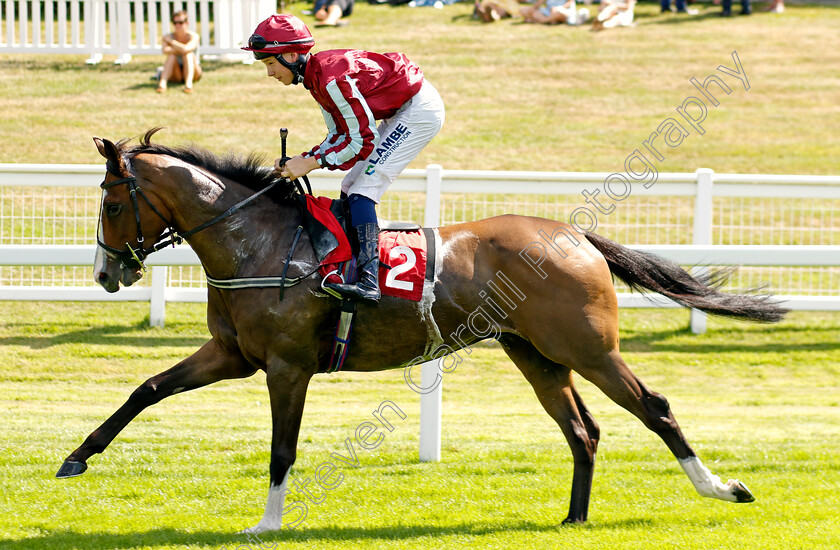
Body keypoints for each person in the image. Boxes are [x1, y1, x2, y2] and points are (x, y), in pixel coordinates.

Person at [242, 14, 445, 304]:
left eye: (270, 64)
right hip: (398, 110)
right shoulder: (316, 79)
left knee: (364, 190)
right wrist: (304, 158)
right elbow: (340, 135)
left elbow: (362, 141)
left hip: (418, 111)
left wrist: (310, 164)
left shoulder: (330, 79)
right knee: (350, 187)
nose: (269, 73)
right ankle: (351, 269)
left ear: (290, 55)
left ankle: (369, 282)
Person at [157, 11, 202, 93]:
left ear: (187, 23)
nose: (177, 25)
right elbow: (165, 50)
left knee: (188, 55)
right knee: (171, 56)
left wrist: (172, 42)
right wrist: (180, 49)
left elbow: (186, 49)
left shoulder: (193, 36)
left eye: (180, 22)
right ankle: (162, 83)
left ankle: (188, 85)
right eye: (175, 23)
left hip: (194, 71)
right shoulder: (168, 36)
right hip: (176, 72)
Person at [521, 0, 590, 25]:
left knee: (557, 13)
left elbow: (570, 2)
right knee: (523, 10)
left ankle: (542, 21)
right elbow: (540, 2)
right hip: (549, 11)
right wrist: (533, 9)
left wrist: (559, 8)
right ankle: (552, 20)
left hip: (562, 11)